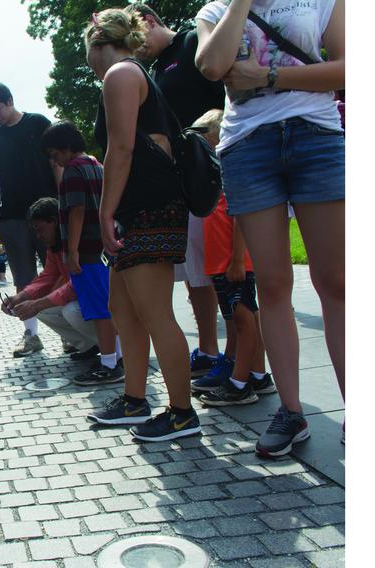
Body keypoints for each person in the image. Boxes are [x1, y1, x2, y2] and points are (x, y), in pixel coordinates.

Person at [196, 0, 345, 454]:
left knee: (337, 283)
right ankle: (292, 411)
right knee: (274, 286)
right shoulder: (215, 10)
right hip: (247, 147)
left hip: (316, 135)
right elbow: (211, 65)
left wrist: (267, 77)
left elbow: (348, 68)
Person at [82, 9, 198, 442]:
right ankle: (134, 399)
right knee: (123, 308)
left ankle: (183, 413)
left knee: (155, 314)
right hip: (146, 207)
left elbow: (122, 149)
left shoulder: (120, 75)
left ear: (98, 45)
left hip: (144, 208)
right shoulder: (136, 73)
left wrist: (104, 211)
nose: (90, 69)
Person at [126, 2, 228, 379]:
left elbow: (223, 95)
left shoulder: (191, 43)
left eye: (138, 41)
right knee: (196, 273)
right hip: (182, 178)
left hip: (211, 167)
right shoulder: (151, 68)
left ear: (150, 20)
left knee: (222, 271)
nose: (136, 51)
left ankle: (236, 359)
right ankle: (209, 348)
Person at [182, 110, 276, 406]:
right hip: (221, 265)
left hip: (233, 265)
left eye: (202, 133)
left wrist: (237, 260)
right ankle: (258, 375)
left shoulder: (230, 168)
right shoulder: (214, 172)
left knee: (243, 321)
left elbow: (240, 217)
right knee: (242, 318)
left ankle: (239, 384)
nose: (197, 140)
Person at [0, 82, 60, 357]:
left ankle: (69, 333)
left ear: (10, 101)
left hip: (48, 212)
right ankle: (31, 334)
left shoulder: (38, 123)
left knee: (60, 272)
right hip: (12, 216)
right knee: (23, 277)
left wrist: (63, 204)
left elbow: (56, 161)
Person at [42, 121, 125, 386]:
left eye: (55, 154)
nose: (55, 161)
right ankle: (118, 357)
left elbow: (76, 211)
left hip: (87, 251)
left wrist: (72, 250)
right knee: (110, 305)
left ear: (66, 147)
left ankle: (110, 363)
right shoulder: (96, 165)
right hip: (104, 247)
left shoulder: (73, 171)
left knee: (99, 310)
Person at [1, 198, 99, 359]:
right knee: (43, 309)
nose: (38, 236)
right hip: (86, 298)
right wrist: (20, 297)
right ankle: (90, 346)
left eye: (40, 229)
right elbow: (47, 276)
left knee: (70, 310)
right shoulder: (55, 247)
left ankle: (114, 351)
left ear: (54, 222)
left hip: (101, 302)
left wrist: (37, 303)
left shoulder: (79, 243)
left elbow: (77, 285)